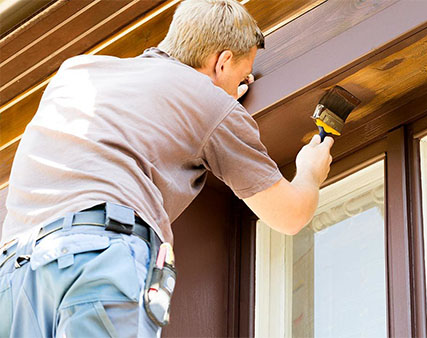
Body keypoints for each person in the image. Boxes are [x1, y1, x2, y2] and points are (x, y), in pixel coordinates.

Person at [0, 0, 333, 336]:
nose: (240, 86)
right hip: (97, 256)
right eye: (242, 75)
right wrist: (310, 172)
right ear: (223, 61)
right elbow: (290, 216)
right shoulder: (210, 103)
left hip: (14, 275)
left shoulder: (76, 73)